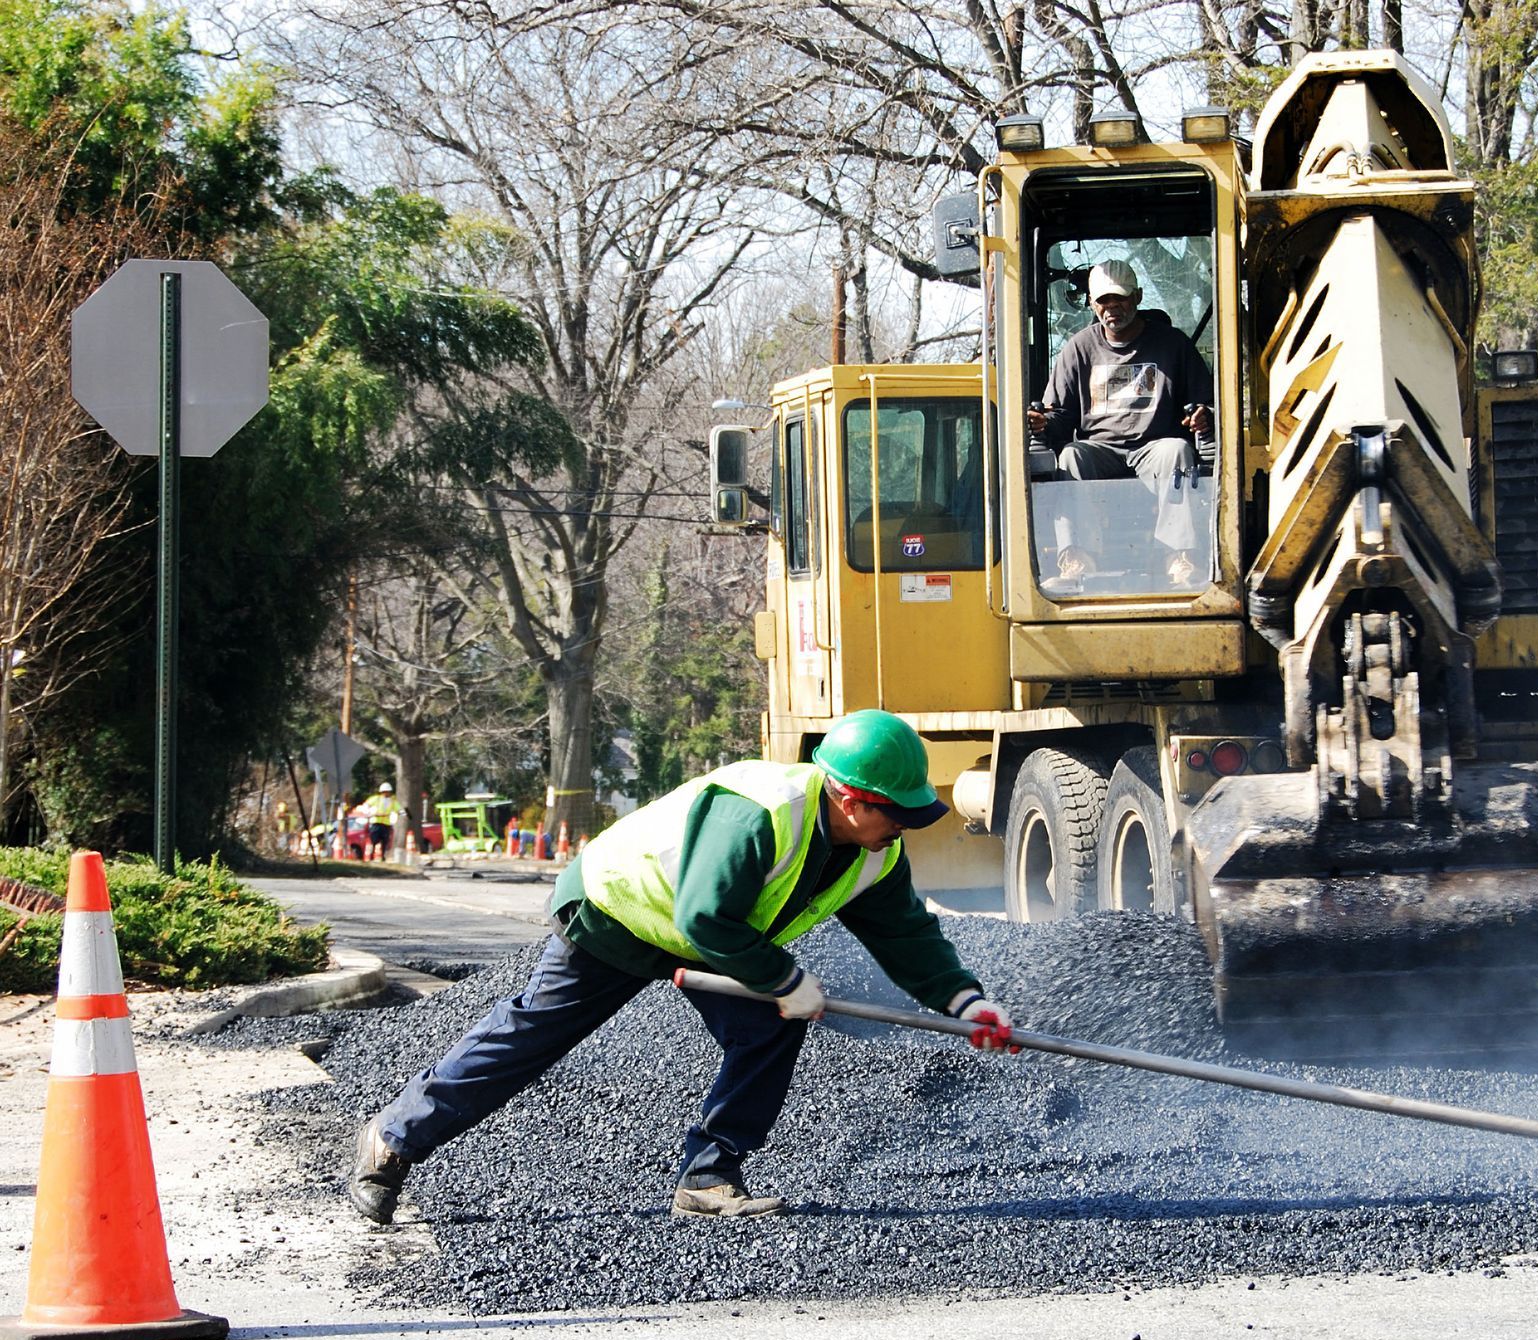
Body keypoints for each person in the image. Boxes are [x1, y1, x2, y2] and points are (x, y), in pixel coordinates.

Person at [347, 710, 1018, 1224]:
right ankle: (392, 1139)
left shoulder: (875, 852)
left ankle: (707, 1180)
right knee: (533, 1037)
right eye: (894, 813)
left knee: (771, 1027)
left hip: (705, 938)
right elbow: (705, 917)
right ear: (849, 798)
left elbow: (908, 936)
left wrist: (964, 1001)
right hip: (617, 912)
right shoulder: (760, 814)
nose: (904, 825)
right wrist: (785, 980)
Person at [1026, 258, 1214, 587]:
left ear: (1138, 297)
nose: (1111, 307)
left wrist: (1203, 416)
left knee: (1177, 451)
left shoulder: (1173, 344)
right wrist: (1043, 423)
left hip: (1153, 449)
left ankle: (1179, 558)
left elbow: (1205, 401)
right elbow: (1060, 416)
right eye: (1103, 300)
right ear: (1092, 304)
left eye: (1120, 298)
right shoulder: (1078, 349)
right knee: (1072, 454)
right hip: (1101, 450)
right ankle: (1077, 559)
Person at [360, 782, 398, 861]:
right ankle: (371, 856)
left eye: (388, 791)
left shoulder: (392, 801)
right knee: (374, 840)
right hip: (376, 823)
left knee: (385, 841)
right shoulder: (375, 799)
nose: (387, 793)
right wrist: (370, 813)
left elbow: (400, 809)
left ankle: (383, 857)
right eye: (385, 791)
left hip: (386, 824)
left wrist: (408, 814)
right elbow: (365, 806)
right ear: (382, 792)